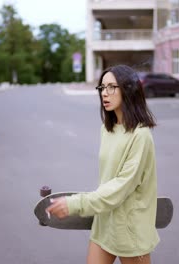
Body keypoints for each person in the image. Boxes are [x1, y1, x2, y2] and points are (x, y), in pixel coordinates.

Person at [46, 65, 159, 264]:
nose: (104, 94)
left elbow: (120, 187)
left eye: (111, 87)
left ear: (128, 89)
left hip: (130, 230)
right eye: (101, 88)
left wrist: (75, 203)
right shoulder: (107, 130)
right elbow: (108, 180)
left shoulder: (141, 135)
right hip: (105, 222)